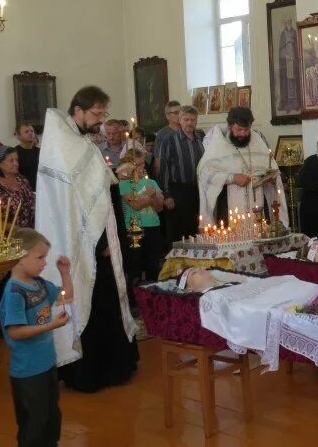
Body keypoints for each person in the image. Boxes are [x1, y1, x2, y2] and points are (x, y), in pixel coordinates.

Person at [36, 85, 138, 392]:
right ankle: (90, 371)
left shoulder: (79, 141)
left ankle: (115, 364)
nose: (101, 121)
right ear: (78, 110)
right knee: (88, 297)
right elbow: (76, 203)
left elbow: (95, 190)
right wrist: (101, 241)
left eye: (104, 114)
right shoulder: (64, 146)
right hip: (82, 242)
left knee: (106, 298)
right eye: (96, 114)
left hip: (99, 236)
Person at [0, 228, 73, 447]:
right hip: (28, 372)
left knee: (51, 418)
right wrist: (51, 325)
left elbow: (67, 296)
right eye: (40, 257)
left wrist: (65, 273)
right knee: (33, 425)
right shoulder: (14, 292)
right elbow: (15, 332)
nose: (44, 263)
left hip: (47, 365)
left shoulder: (38, 284)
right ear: (20, 258)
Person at [197, 107, 288, 226]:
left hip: (258, 204)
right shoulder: (219, 144)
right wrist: (232, 178)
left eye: (246, 129)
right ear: (230, 126)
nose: (243, 134)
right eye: (239, 129)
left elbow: (272, 169)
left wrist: (271, 178)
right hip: (229, 206)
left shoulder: (257, 141)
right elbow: (205, 174)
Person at [117, 149, 164, 288]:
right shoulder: (124, 183)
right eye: (136, 165)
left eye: (142, 164)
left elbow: (160, 207)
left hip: (153, 226)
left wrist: (155, 196)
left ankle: (152, 291)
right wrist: (152, 197)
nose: (140, 167)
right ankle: (134, 297)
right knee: (135, 264)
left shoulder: (151, 182)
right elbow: (135, 204)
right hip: (133, 227)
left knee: (153, 263)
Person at [158, 105, 205, 242]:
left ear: (196, 121)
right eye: (186, 119)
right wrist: (166, 195)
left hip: (198, 189)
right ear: (180, 120)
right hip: (178, 190)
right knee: (179, 229)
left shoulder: (202, 138)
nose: (189, 123)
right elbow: (164, 168)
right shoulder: (170, 140)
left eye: (192, 120)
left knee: (197, 225)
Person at [278, 18, 300, 112]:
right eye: (287, 22)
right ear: (285, 23)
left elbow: (297, 44)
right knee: (286, 81)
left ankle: (295, 102)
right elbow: (281, 46)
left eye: (290, 22)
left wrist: (293, 42)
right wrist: (287, 42)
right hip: (285, 60)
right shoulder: (283, 33)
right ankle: (286, 103)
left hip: (293, 60)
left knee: (294, 80)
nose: (289, 23)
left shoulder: (294, 32)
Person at [15, 124, 40, 190]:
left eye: (32, 131)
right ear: (18, 136)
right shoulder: (14, 153)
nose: (30, 133)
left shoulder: (40, 152)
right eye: (26, 132)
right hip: (23, 190)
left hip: (40, 190)